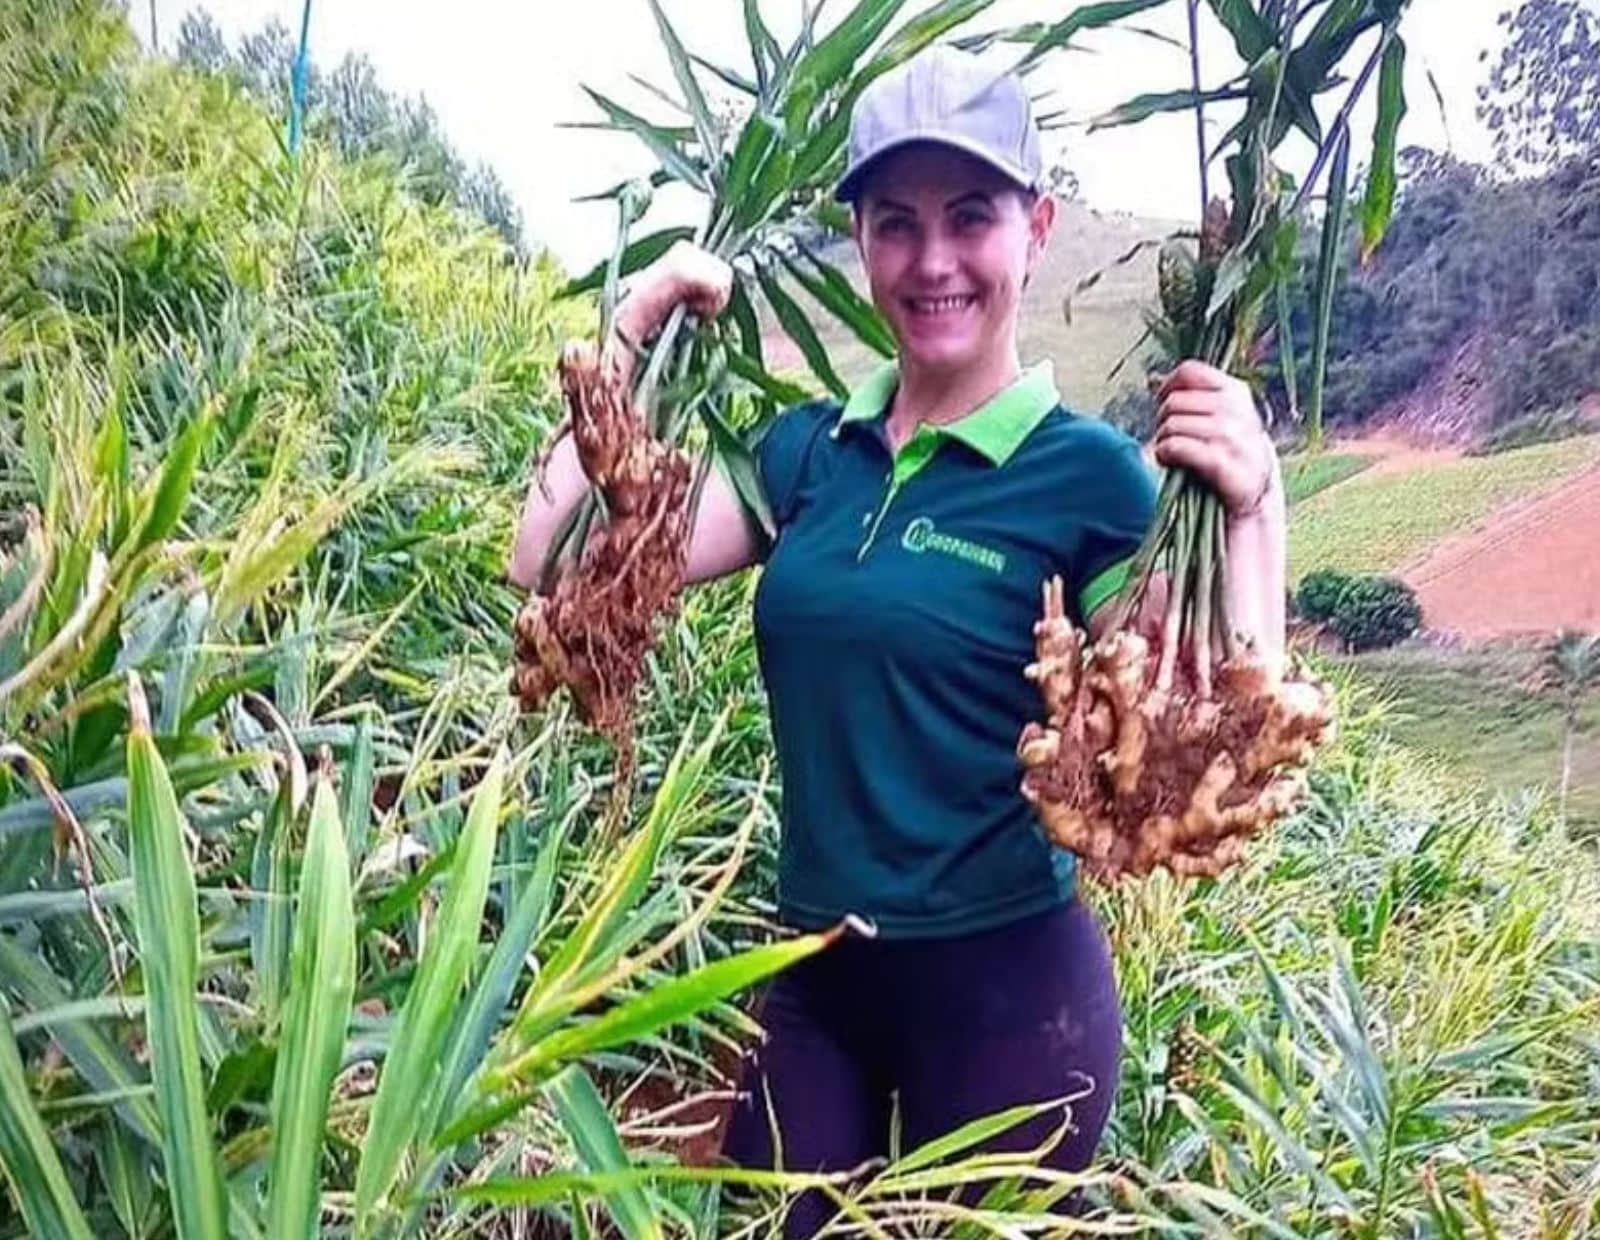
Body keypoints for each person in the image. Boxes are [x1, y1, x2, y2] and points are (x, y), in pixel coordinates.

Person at [510, 45, 1285, 1237]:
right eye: (894, 222)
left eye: (968, 218)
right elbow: (548, 565)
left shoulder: (1089, 476)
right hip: (811, 973)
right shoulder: (808, 451)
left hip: (1008, 1002)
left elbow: (1218, 726)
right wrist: (623, 338)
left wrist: (1253, 506)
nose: (931, 262)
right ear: (860, 238)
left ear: (1034, 226)